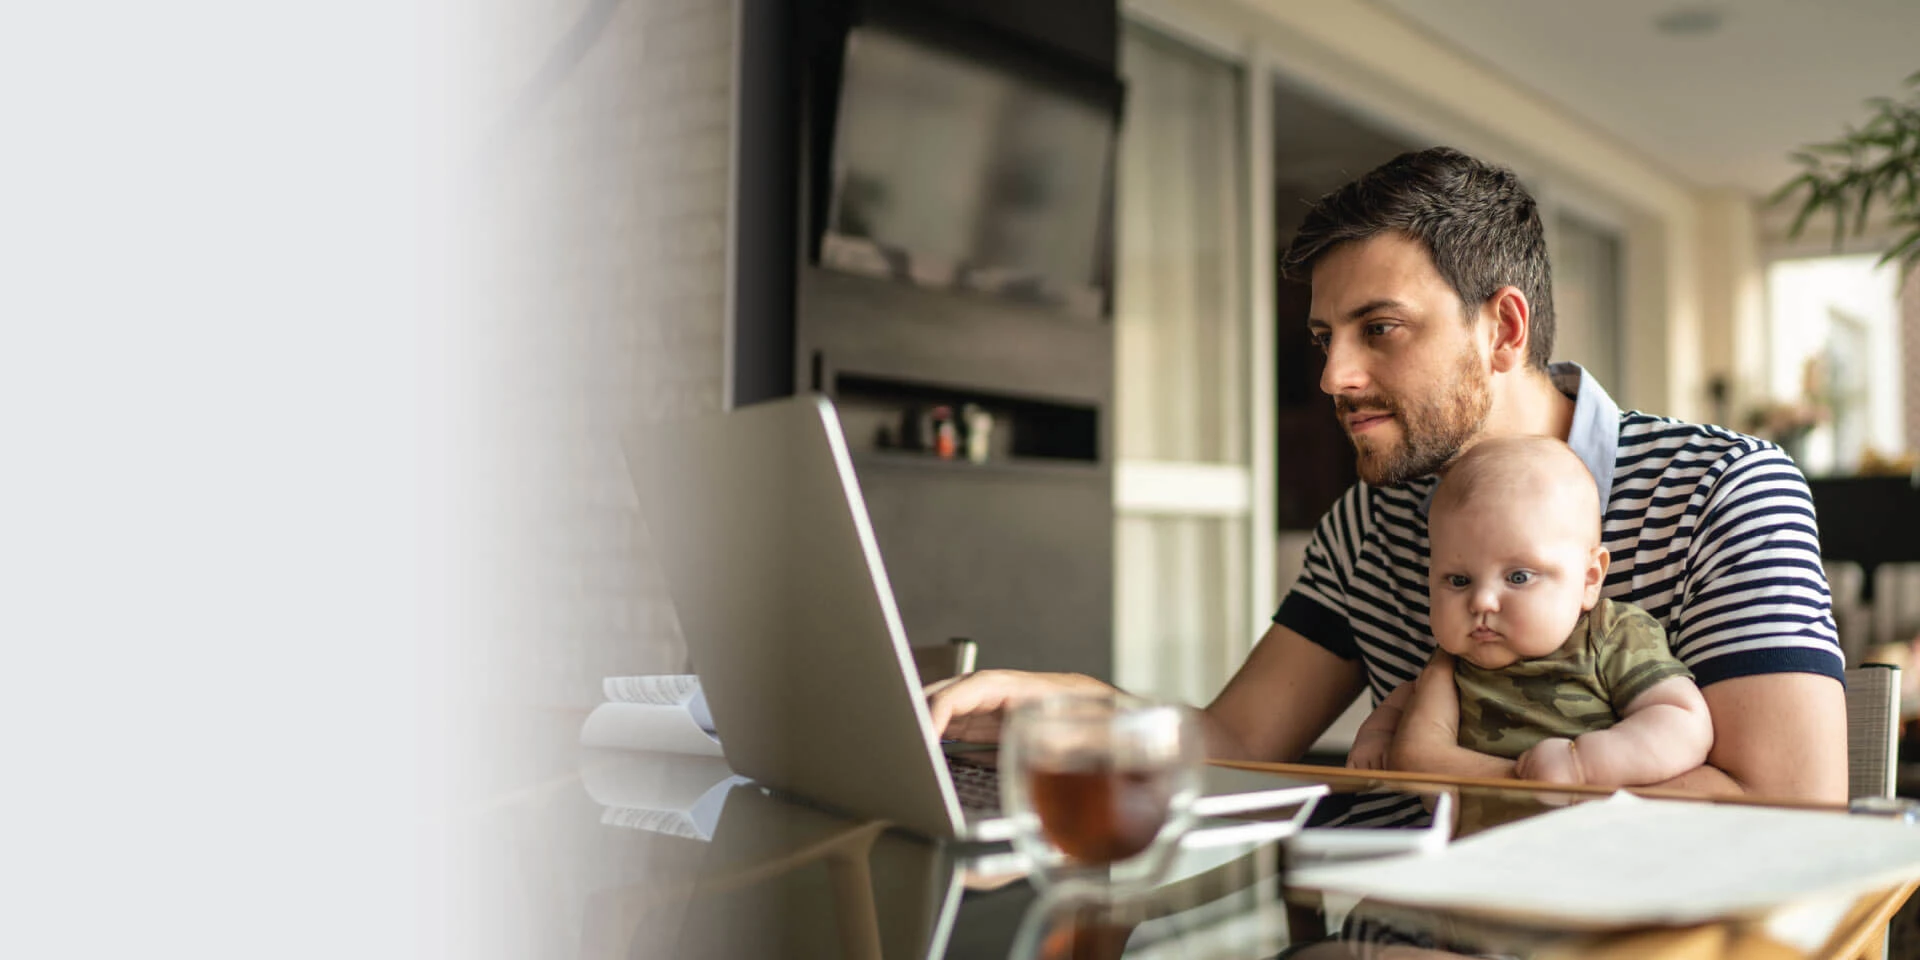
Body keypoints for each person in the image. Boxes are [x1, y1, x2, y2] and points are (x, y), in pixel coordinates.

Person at [926, 146, 1847, 803]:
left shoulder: (1722, 488)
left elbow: (1795, 806)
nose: (1334, 377)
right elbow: (1241, 743)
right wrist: (1081, 707)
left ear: (1505, 330)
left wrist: (1488, 779)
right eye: (1326, 339)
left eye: (1382, 329)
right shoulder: (1366, 529)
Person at [1345, 436, 1713, 787]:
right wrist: (1378, 736)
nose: (1481, 602)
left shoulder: (1609, 636)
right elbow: (1402, 702)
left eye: (1518, 577)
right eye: (1458, 580)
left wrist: (1584, 763)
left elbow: (1682, 720)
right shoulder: (1454, 665)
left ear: (1589, 579)